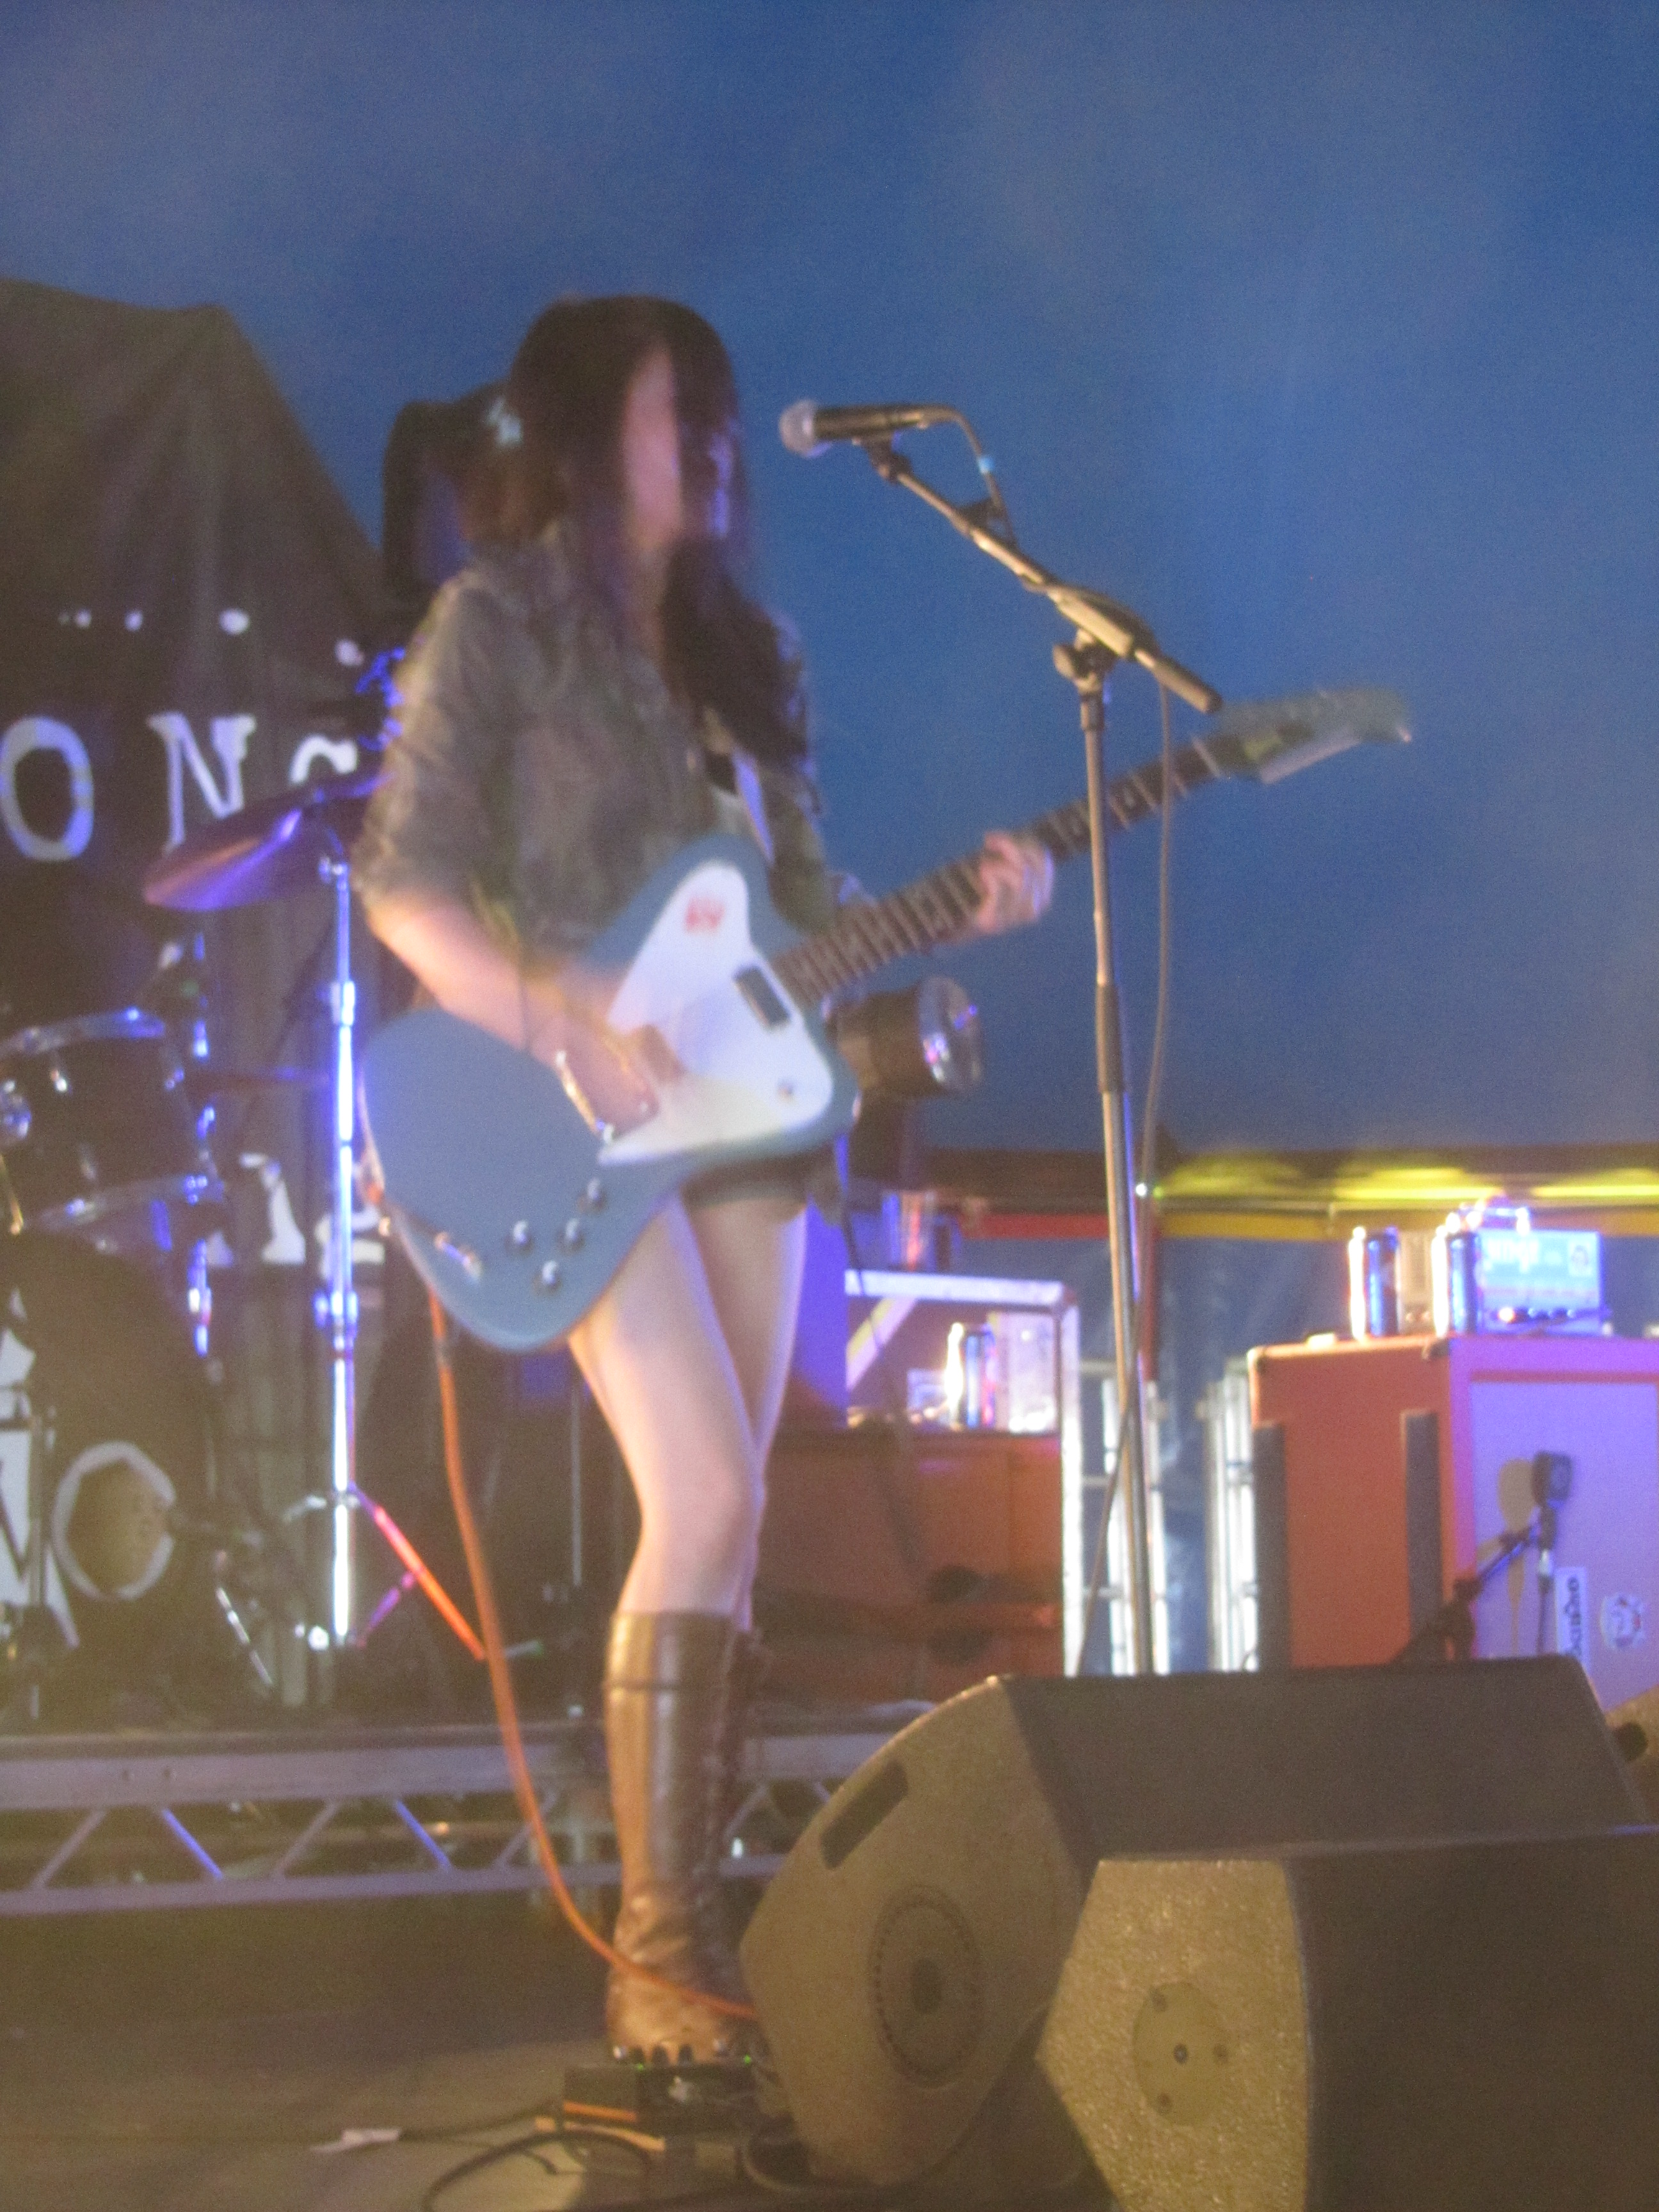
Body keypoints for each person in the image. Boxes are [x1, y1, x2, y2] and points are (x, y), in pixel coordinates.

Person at [353, 296, 1053, 2059]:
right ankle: (660, 1960)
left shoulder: (754, 660)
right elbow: (403, 882)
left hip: (750, 1122)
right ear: (591, 439)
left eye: (728, 419)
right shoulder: (498, 624)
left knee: (727, 1534)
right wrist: (562, 1010)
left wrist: (964, 909)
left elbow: (799, 918)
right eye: (686, 415)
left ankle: (695, 1939)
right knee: (707, 1493)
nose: (721, 448)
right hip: (560, 1106)